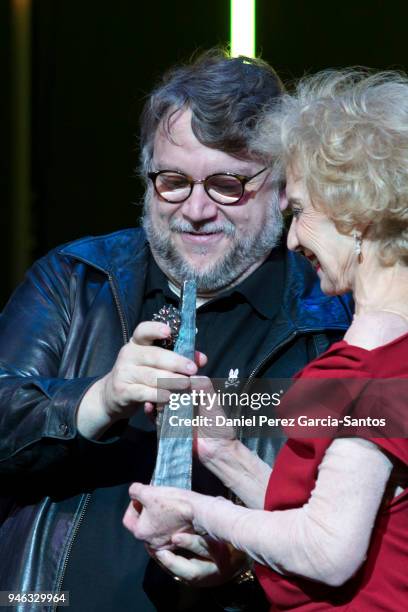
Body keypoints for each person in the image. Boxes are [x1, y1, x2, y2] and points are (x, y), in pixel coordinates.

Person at [0, 50, 351, 612]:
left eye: (227, 185)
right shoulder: (75, 279)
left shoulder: (334, 316)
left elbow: (360, 527)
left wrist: (244, 566)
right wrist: (99, 399)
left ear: (284, 190)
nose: (195, 210)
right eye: (173, 181)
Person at [123, 69, 408, 611]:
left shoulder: (374, 367)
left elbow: (328, 551)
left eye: (300, 211)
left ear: (358, 213)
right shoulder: (382, 357)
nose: (293, 236)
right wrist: (225, 452)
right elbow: (323, 515)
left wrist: (191, 508)